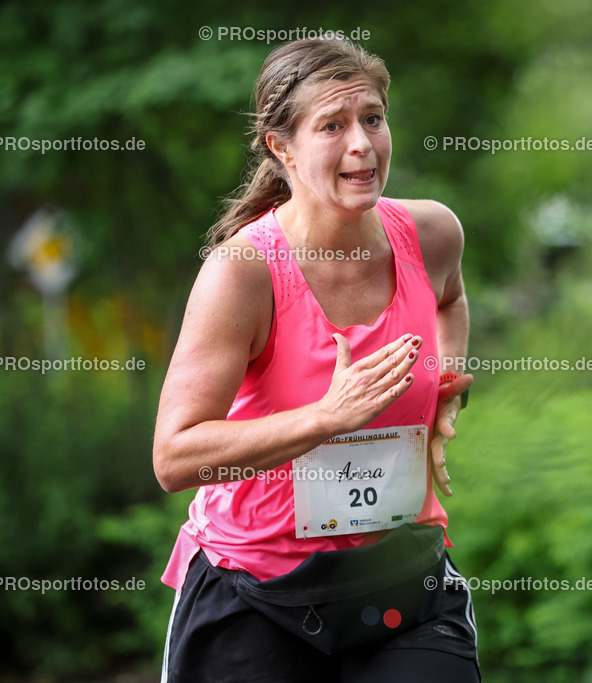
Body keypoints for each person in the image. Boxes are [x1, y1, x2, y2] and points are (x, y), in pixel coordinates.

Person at [153, 38, 478, 682]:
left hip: (400, 583)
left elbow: (452, 299)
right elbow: (175, 456)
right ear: (282, 147)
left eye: (373, 119)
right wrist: (327, 416)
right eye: (332, 126)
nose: (361, 144)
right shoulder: (243, 273)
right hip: (255, 592)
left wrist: (445, 391)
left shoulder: (432, 233)